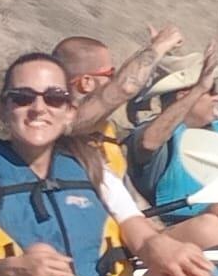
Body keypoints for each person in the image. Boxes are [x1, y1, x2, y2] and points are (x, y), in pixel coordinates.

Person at [0, 53, 218, 276]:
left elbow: (142, 237)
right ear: (3, 108)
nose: (38, 108)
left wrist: (166, 247)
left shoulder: (95, 172)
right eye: (23, 97)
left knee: (181, 262)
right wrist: (18, 268)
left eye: (54, 98)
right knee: (44, 264)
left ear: (69, 111)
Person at [124, 43, 218, 249]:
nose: (217, 97)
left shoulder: (217, 130)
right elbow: (148, 142)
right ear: (184, 97)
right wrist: (198, 89)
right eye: (211, 90)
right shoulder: (152, 135)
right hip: (179, 231)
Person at [57, 26, 183, 181]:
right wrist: (160, 46)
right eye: (110, 74)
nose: (114, 78)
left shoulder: (104, 127)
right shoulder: (67, 123)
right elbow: (125, 87)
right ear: (86, 82)